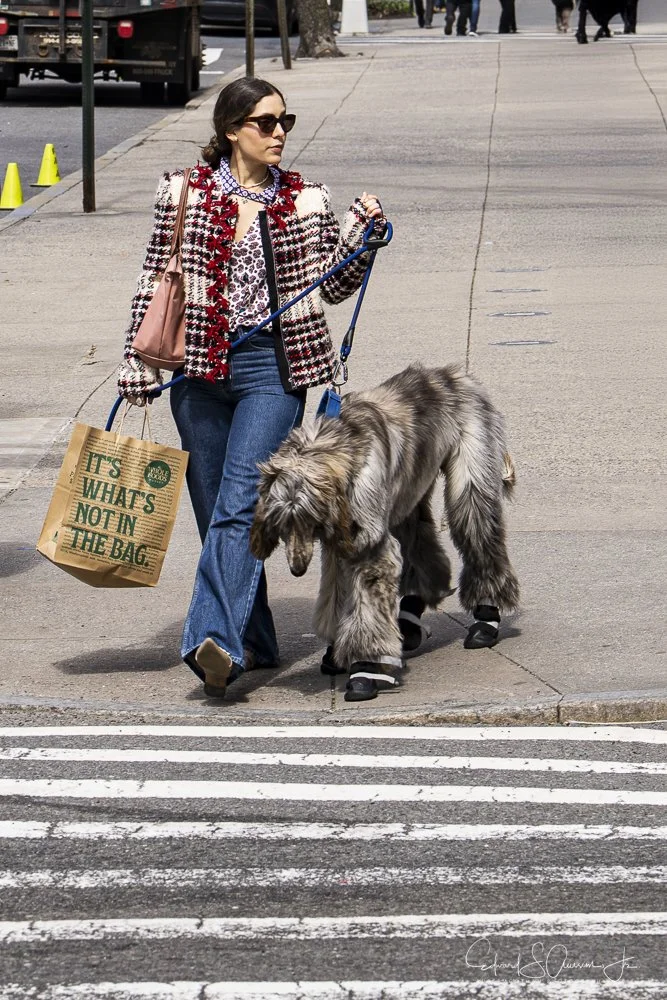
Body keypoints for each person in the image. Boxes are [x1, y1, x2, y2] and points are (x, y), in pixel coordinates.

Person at [116, 77, 385, 700]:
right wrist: (140, 362)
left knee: (240, 504)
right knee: (215, 513)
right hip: (198, 370)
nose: (280, 133)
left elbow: (333, 287)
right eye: (266, 123)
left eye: (284, 120)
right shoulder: (181, 190)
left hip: (273, 369)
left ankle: (214, 646)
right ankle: (257, 637)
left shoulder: (307, 199)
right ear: (232, 129)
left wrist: (361, 239)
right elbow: (155, 277)